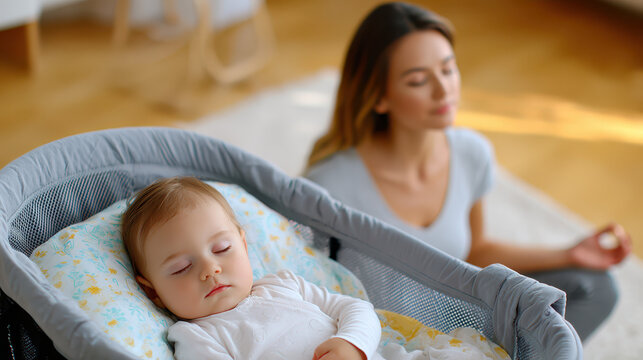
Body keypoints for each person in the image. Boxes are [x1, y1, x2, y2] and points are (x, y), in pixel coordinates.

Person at [303, 2, 632, 342]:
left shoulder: (471, 153)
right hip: (382, 336)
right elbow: (310, 286)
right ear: (378, 97)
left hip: (462, 320)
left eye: (448, 69)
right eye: (418, 80)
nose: (444, 90)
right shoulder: (329, 184)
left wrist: (569, 254)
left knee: (597, 287)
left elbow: (475, 253)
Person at [120, 177, 380, 359]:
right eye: (181, 267)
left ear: (244, 246)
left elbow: (356, 308)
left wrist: (352, 343)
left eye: (222, 249)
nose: (210, 269)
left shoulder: (283, 284)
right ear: (153, 292)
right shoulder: (196, 338)